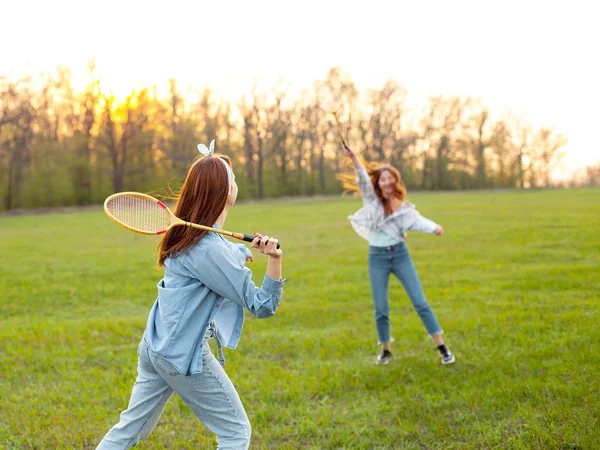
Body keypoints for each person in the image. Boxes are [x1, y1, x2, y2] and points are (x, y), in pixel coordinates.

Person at [97, 140, 284, 450]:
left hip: (155, 346)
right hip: (180, 354)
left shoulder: (189, 234)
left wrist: (240, 252)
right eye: (232, 178)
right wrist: (275, 261)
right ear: (225, 192)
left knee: (130, 429)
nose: (235, 182)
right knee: (236, 432)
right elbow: (262, 305)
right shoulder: (207, 247)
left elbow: (211, 259)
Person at [340, 144, 455, 366]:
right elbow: (362, 178)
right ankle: (386, 350)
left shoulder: (403, 208)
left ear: (395, 181)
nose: (387, 182)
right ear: (379, 183)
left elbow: (417, 220)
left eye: (390, 178)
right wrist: (354, 158)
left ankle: (442, 347)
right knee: (381, 308)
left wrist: (434, 228)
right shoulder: (371, 201)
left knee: (420, 302)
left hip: (400, 255)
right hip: (377, 257)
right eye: (383, 179)